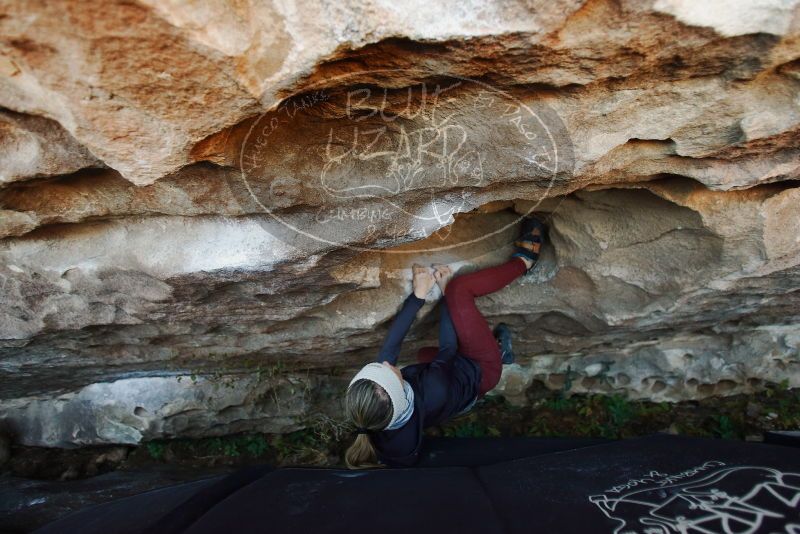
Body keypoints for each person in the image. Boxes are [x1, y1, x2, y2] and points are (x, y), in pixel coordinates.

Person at [344, 216, 546, 468]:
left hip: (451, 381)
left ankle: (492, 347)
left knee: (424, 354)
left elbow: (391, 346)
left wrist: (418, 295)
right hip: (480, 369)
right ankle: (524, 262)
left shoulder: (378, 415)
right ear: (398, 396)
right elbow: (448, 349)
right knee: (461, 290)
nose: (384, 366)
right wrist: (447, 290)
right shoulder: (433, 388)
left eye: (375, 372)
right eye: (387, 374)